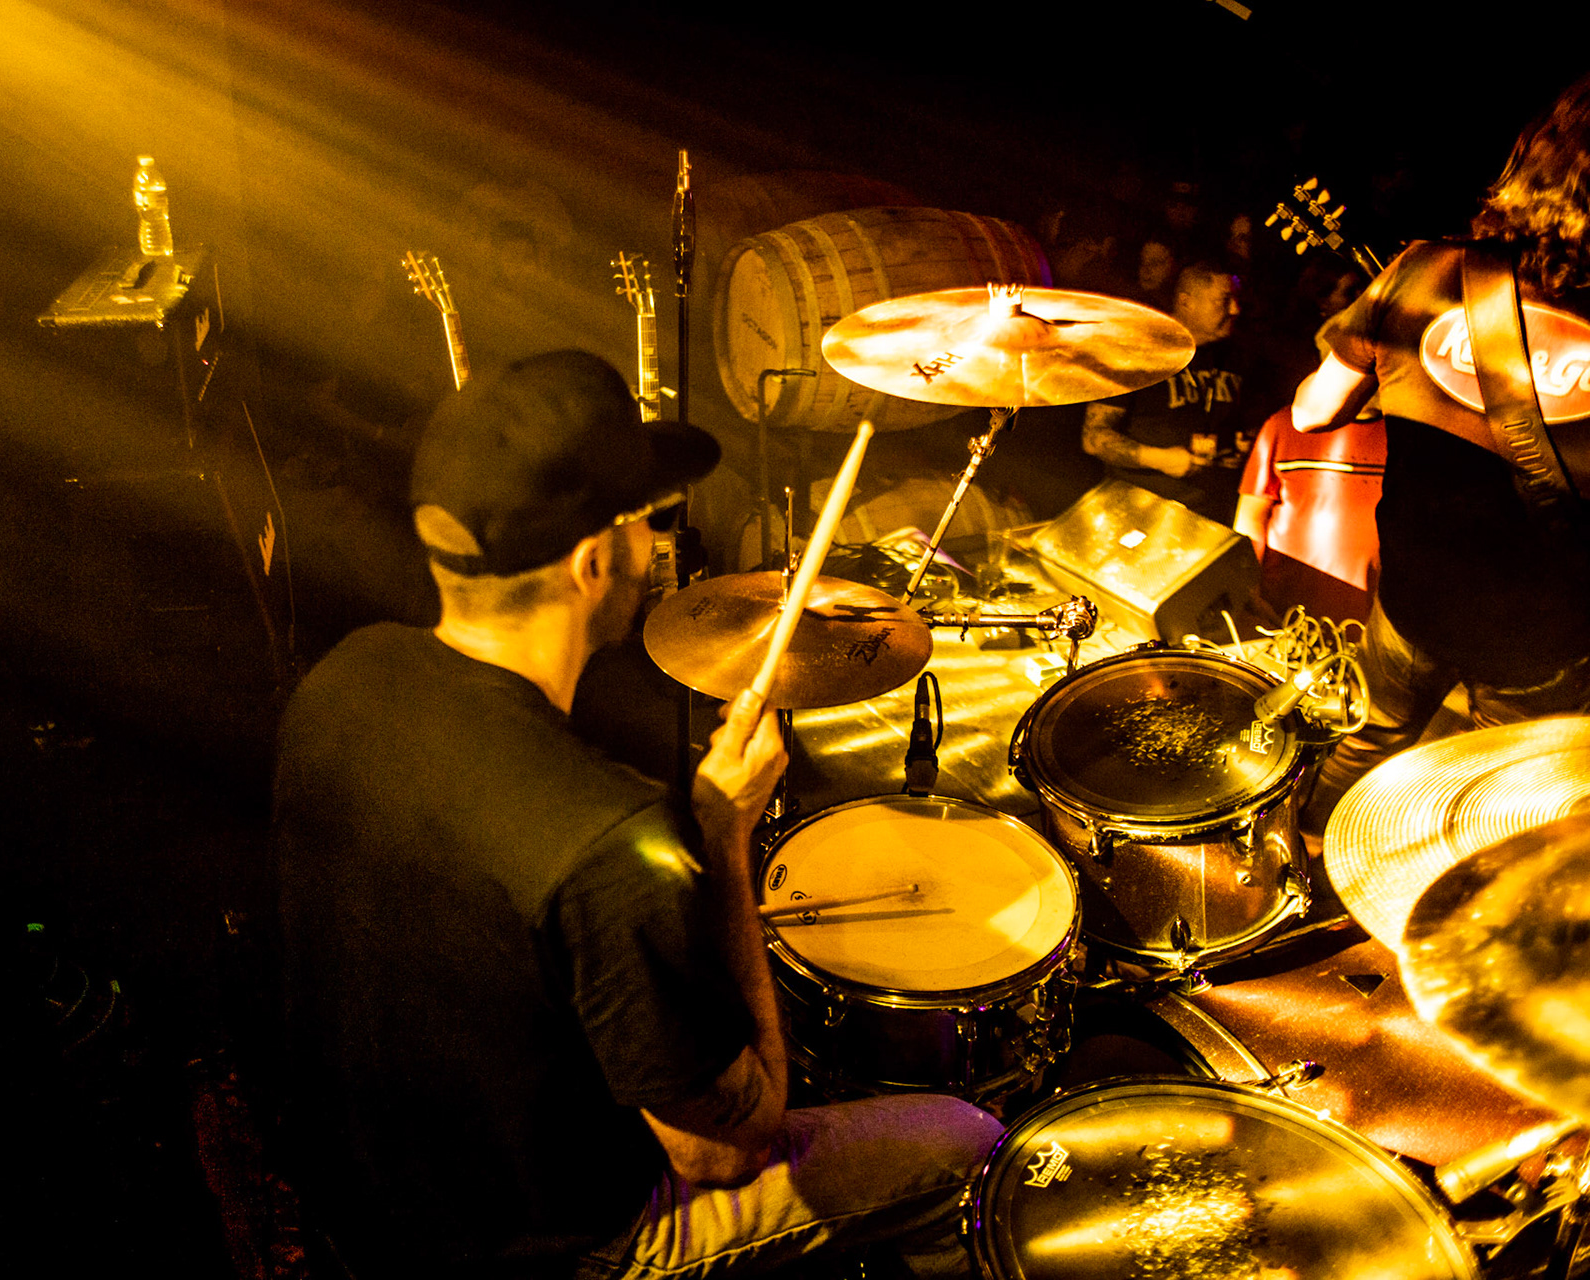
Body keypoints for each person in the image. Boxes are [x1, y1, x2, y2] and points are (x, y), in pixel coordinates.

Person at [272, 351, 1003, 1279]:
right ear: (592, 561)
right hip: (543, 1248)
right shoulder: (609, 842)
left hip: (367, 1185)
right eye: (649, 521)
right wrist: (725, 836)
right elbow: (729, 1146)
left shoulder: (348, 674)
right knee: (963, 1139)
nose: (660, 542)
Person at [1290, 72, 1590, 821]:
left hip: (1414, 601)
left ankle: (1300, 851)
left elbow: (1313, 413)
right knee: (1504, 801)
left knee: (1366, 742)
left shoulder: (1426, 268)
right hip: (1544, 638)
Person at [1081, 260, 1251, 522]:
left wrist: (1240, 446)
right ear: (1186, 302)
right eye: (1223, 300)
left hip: (1210, 515)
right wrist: (1160, 459)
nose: (1235, 309)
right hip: (1138, 510)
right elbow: (1094, 437)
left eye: (1237, 300)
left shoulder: (1236, 356)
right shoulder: (1140, 351)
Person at [1233, 402, 1386, 625]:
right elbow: (1251, 517)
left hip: (1373, 620)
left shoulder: (1410, 435)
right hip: (1285, 614)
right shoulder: (1285, 425)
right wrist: (1246, 591)